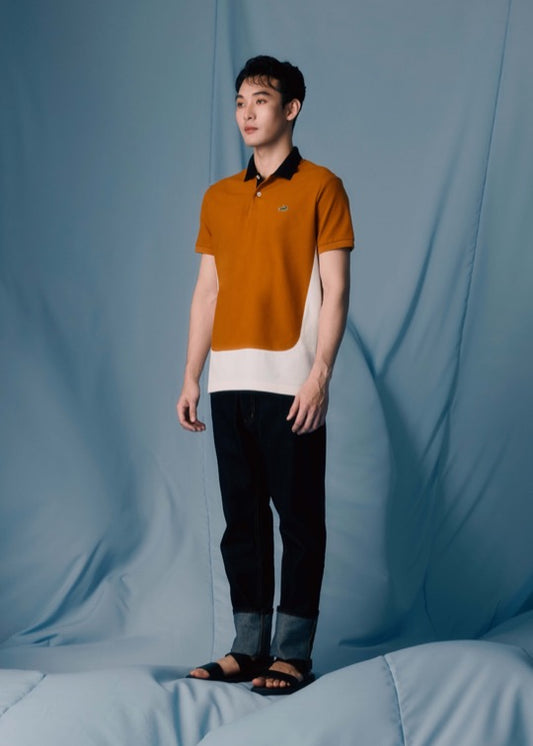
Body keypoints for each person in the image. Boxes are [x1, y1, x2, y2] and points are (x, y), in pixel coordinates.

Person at [177, 55, 354, 694]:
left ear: (291, 108)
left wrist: (321, 375)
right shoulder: (218, 197)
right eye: (239, 102)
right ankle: (248, 648)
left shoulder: (323, 187)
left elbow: (336, 291)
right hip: (228, 383)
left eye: (260, 100)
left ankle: (292, 654)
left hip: (292, 382)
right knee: (242, 523)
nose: (247, 113)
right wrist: (191, 376)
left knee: (300, 522)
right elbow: (207, 292)